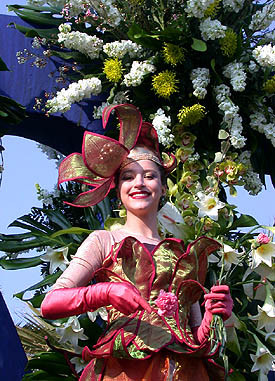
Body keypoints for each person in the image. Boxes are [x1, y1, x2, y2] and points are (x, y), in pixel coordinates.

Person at [41, 104, 233, 380]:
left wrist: (215, 316)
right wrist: (105, 293)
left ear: (163, 187)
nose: (139, 183)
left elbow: (196, 337)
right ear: (118, 190)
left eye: (150, 176)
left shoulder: (182, 252)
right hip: (124, 371)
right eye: (128, 177)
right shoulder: (104, 240)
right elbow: (51, 304)